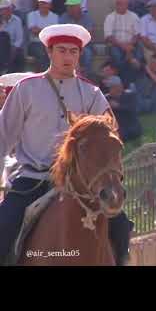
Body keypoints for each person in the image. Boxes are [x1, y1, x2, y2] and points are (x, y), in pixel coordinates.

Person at [0, 24, 133, 265]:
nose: (68, 57)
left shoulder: (92, 94)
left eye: (73, 51)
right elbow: (3, 136)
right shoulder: (26, 89)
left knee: (121, 226)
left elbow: (109, 136)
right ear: (49, 52)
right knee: (4, 226)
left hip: (80, 182)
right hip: (33, 180)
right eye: (62, 50)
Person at [104, 0, 143, 87]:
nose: (120, 6)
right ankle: (126, 84)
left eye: (123, 4)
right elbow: (109, 37)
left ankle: (132, 84)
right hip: (116, 45)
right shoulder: (110, 17)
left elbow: (137, 34)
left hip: (132, 45)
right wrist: (123, 47)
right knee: (119, 58)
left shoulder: (134, 16)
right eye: (118, 4)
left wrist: (129, 46)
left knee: (137, 59)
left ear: (127, 5)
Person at [59, 0, 95, 81]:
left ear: (78, 6)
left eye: (72, 6)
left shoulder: (87, 18)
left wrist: (78, 47)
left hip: (84, 45)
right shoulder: (64, 17)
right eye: (68, 6)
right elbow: (61, 34)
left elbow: (89, 35)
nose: (69, 8)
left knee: (88, 53)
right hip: (68, 45)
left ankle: (85, 78)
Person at [103, 75, 142, 142]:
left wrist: (118, 106)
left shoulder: (130, 95)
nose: (112, 90)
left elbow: (134, 109)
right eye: (110, 88)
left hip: (130, 126)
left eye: (114, 87)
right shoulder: (106, 98)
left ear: (120, 86)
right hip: (114, 126)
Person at [27, 0, 59, 72]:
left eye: (45, 3)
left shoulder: (55, 17)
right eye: (40, 3)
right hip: (35, 43)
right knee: (42, 52)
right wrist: (48, 31)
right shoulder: (31, 15)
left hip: (50, 44)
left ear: (50, 5)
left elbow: (54, 33)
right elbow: (33, 31)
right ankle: (45, 76)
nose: (42, 5)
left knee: (56, 52)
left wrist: (40, 30)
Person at [0, 0, 24, 74]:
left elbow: (19, 39)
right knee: (3, 36)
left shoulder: (17, 20)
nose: (4, 11)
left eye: (7, 9)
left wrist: (13, 48)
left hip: (13, 47)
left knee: (18, 55)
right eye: (2, 9)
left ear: (11, 10)